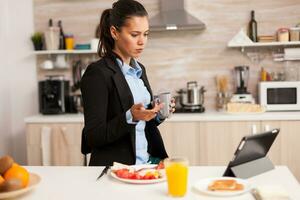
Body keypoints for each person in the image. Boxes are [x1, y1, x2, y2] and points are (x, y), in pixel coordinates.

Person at [80, 0, 175, 166]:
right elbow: (93, 136)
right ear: (115, 33)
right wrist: (131, 116)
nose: (142, 41)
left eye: (145, 34)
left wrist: (157, 114)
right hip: (117, 170)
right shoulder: (98, 73)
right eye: (134, 34)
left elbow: (142, 126)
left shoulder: (140, 70)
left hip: (146, 165)